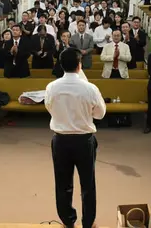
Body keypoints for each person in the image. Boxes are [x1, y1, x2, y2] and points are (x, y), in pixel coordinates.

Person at [44, 47, 106, 228]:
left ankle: (67, 222)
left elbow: (50, 108)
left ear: (61, 65)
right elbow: (100, 114)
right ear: (80, 65)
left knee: (63, 184)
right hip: (84, 140)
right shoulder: (90, 88)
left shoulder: (52, 87)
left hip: (61, 140)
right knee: (88, 185)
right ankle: (88, 223)